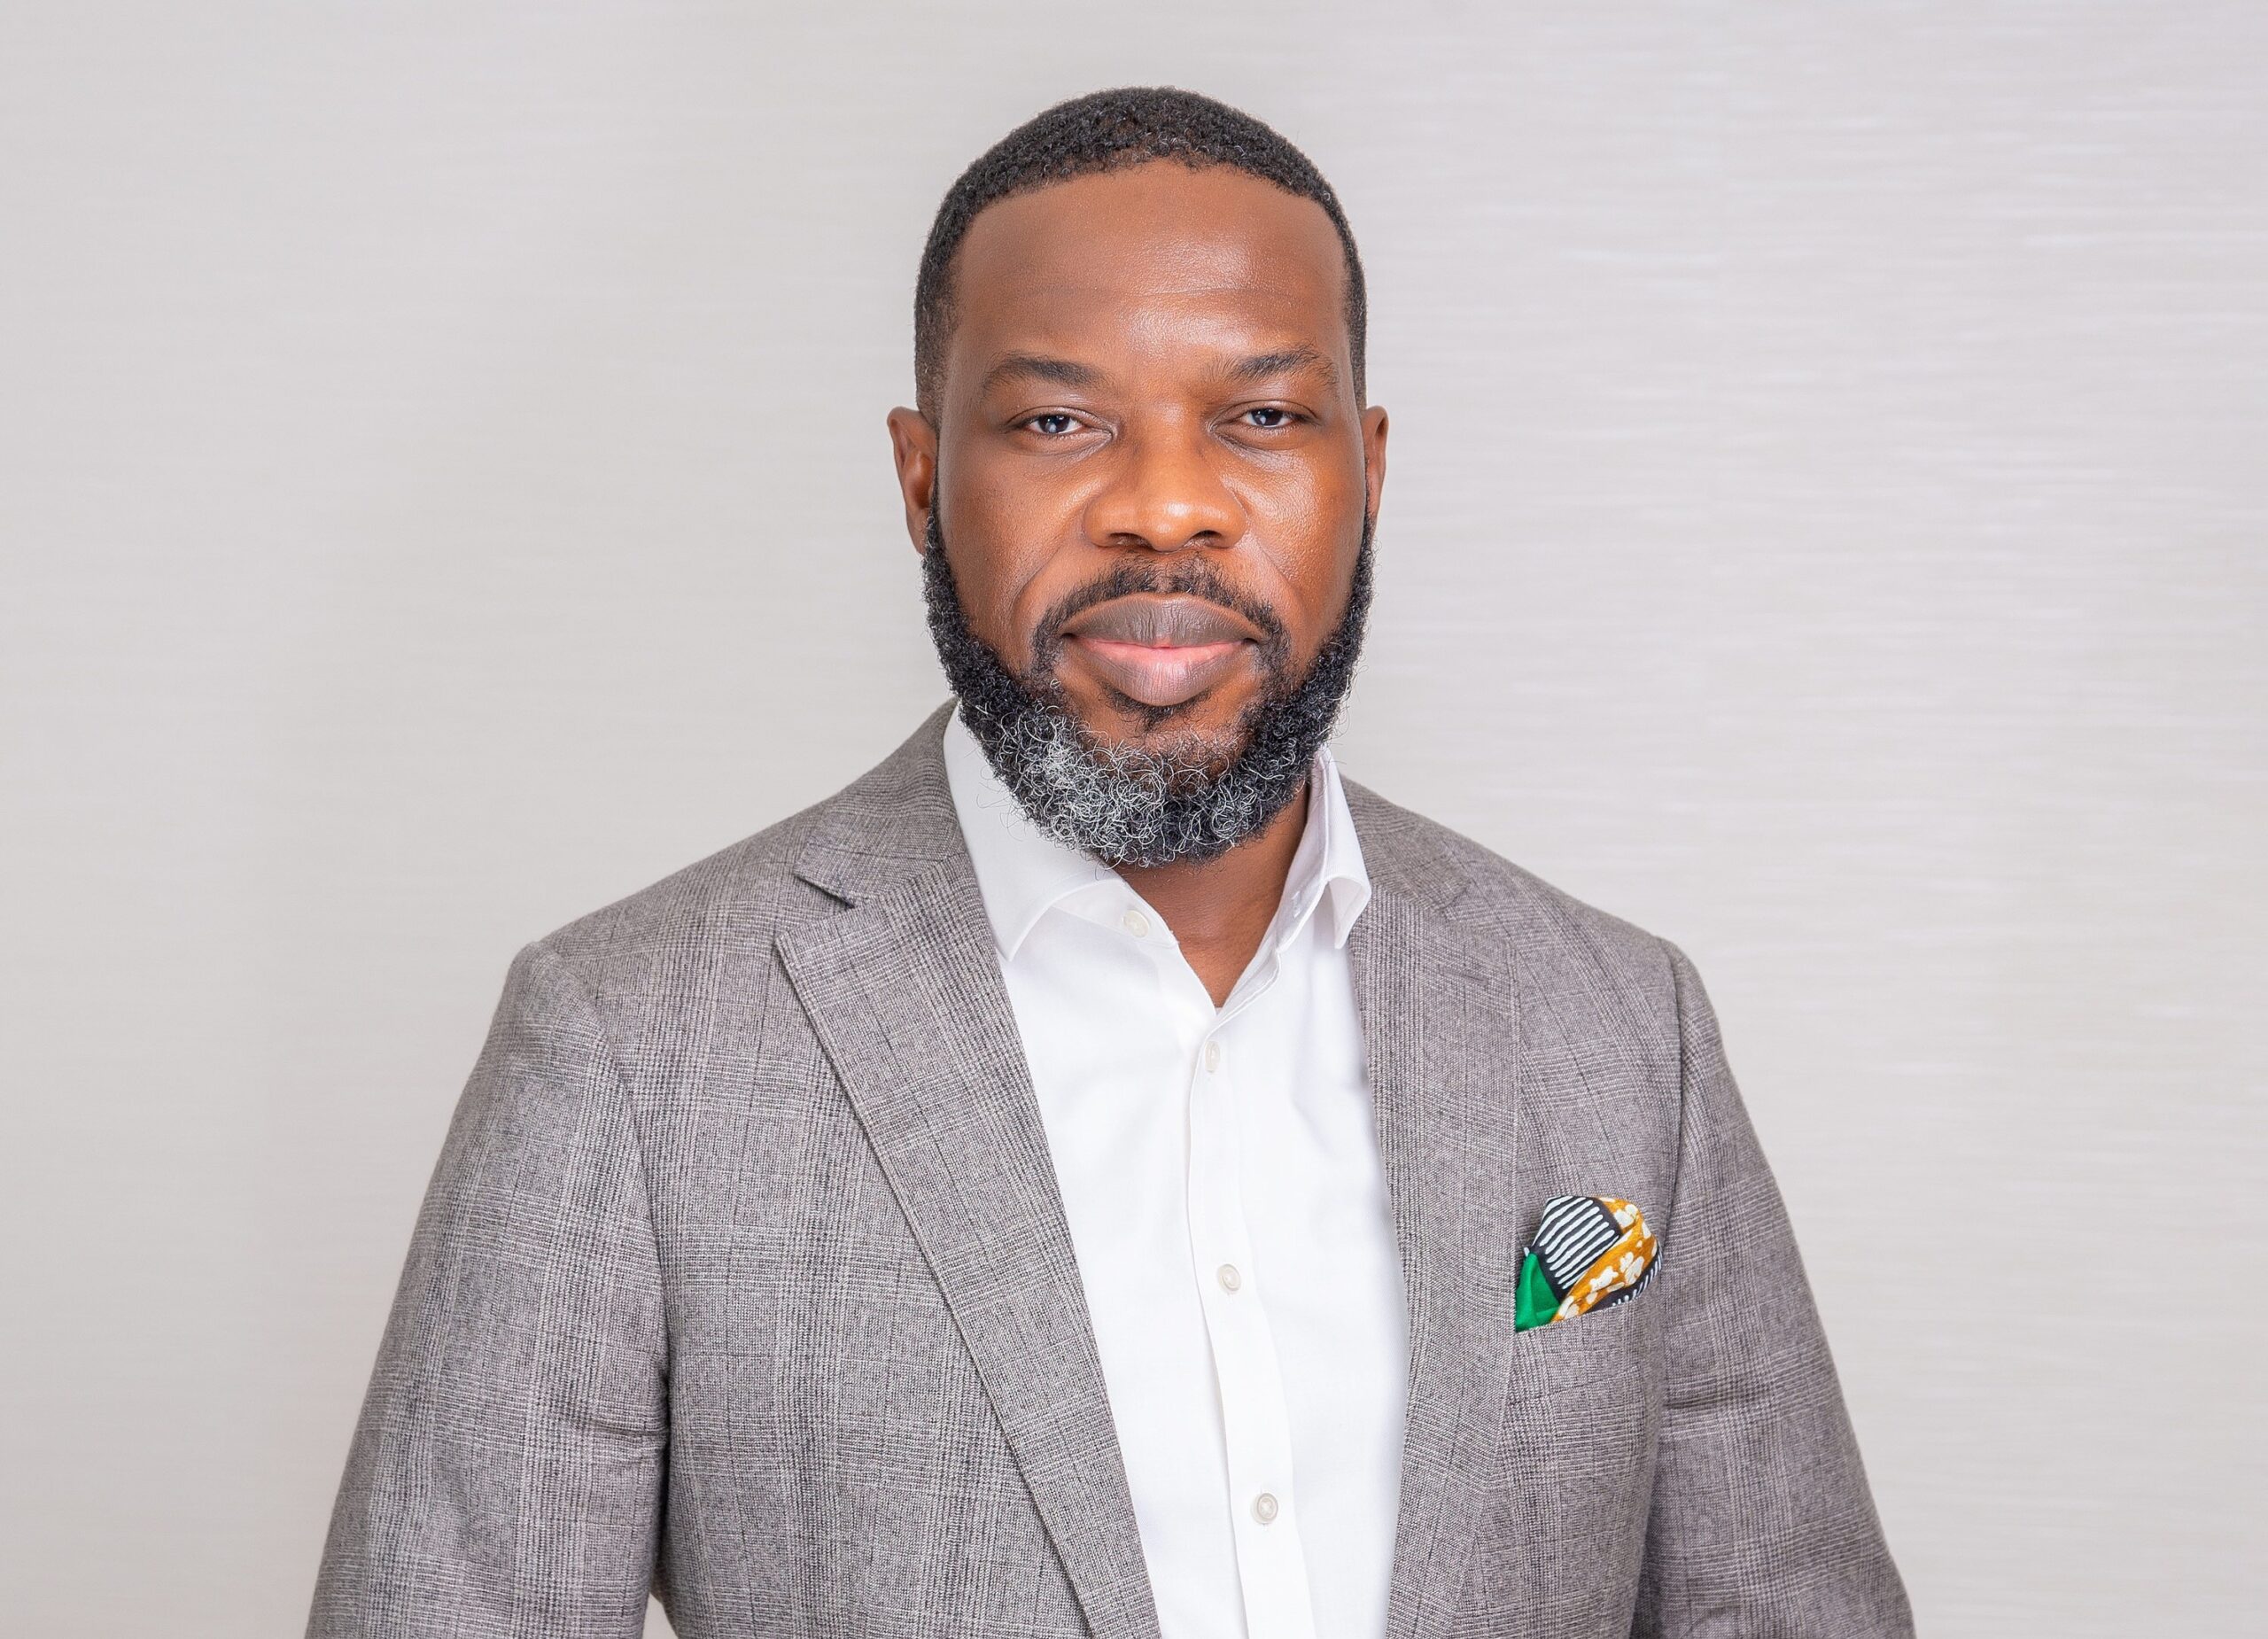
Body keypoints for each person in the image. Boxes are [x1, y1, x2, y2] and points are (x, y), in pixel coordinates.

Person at [307, 87, 1912, 1639]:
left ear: (1367, 471)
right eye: (1059, 421)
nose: (1166, 508)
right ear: (923, 480)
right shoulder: (629, 1049)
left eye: (1261, 418)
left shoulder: (1619, 1026)